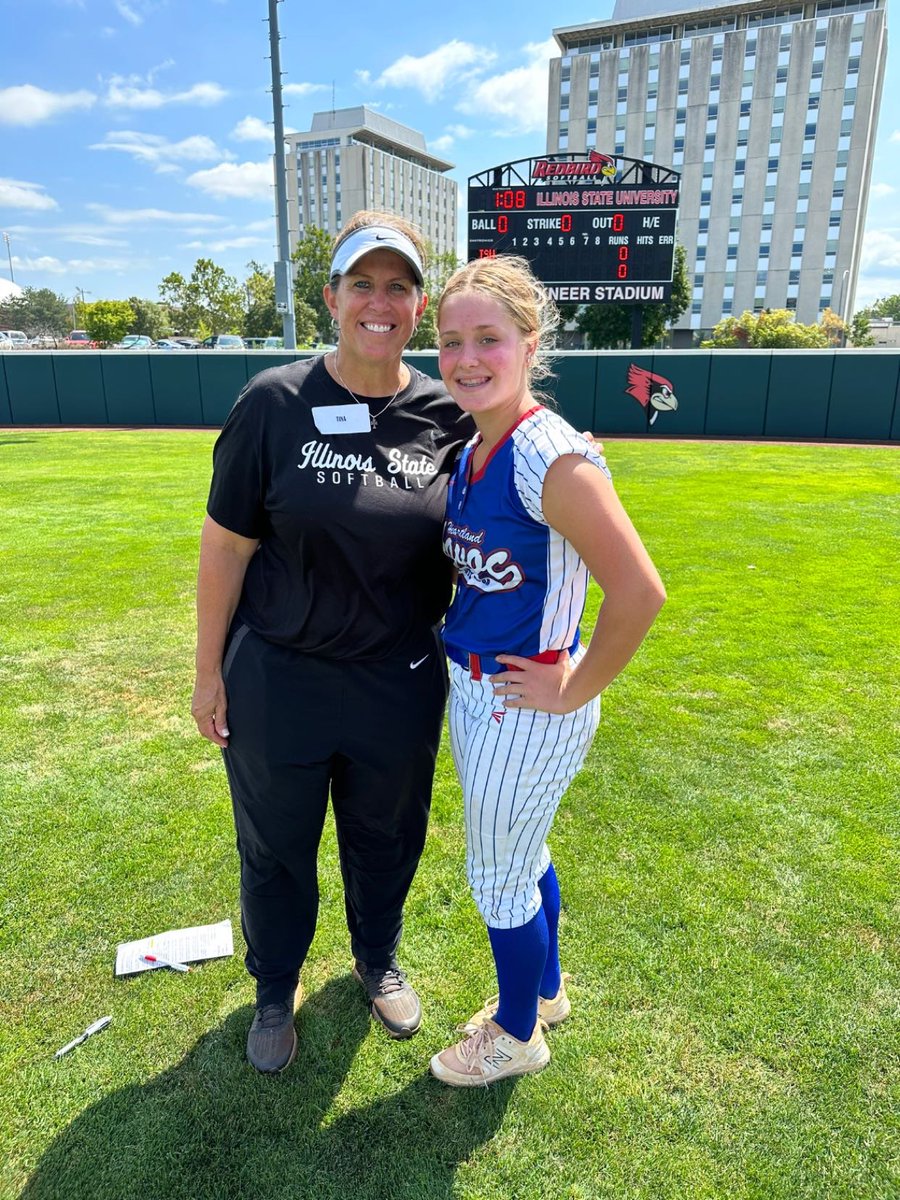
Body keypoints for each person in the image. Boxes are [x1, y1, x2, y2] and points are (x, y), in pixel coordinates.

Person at [192, 212, 471, 1073]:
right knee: (275, 844)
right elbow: (226, 546)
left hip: (397, 678)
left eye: (397, 286)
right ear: (332, 297)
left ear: (418, 306)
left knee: (387, 836)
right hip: (281, 675)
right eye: (362, 284)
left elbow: (511, 511)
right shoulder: (274, 403)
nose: (378, 302)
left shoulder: (448, 415)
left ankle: (376, 958)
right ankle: (276, 986)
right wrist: (207, 673)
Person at [428, 256, 666, 1087]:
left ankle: (517, 1032)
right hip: (486, 692)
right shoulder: (482, 442)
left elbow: (639, 591)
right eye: (451, 340)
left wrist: (572, 687)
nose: (466, 357)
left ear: (529, 344)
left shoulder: (549, 456)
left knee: (497, 875)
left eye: (488, 338)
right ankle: (548, 990)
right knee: (522, 857)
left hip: (524, 699)